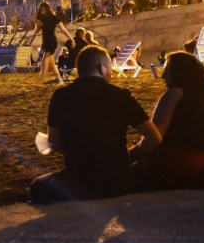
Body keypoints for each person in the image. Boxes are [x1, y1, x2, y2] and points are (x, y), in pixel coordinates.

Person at [30, 46, 161, 203]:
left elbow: (54, 142)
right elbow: (154, 137)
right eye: (109, 69)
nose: (111, 74)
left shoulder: (61, 97)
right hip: (118, 182)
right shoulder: (120, 96)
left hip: (78, 181)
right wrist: (128, 156)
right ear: (101, 68)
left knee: (37, 185)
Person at [132, 51, 204, 190]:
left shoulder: (174, 94)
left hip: (179, 165)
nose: (163, 76)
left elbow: (154, 138)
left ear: (179, 72)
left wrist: (129, 156)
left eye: (167, 71)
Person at [33, 2, 72, 86]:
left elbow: (63, 29)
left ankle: (40, 82)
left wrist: (71, 38)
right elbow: (36, 32)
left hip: (52, 42)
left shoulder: (53, 17)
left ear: (47, 9)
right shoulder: (41, 19)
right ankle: (60, 80)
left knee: (44, 62)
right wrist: (38, 25)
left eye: (44, 10)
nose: (42, 12)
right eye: (41, 10)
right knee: (52, 64)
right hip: (46, 42)